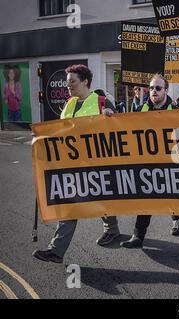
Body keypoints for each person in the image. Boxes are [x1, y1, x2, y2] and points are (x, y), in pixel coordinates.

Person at [32, 64, 121, 263]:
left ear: (85, 81)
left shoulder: (100, 101)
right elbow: (61, 129)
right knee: (70, 205)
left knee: (101, 199)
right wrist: (41, 137)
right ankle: (56, 251)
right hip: (71, 164)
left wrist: (110, 116)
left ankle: (112, 229)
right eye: (67, 83)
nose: (68, 86)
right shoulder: (69, 104)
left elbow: (119, 127)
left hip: (95, 164)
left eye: (72, 81)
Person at [120, 74, 179, 249]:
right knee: (146, 199)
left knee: (174, 195)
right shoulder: (141, 110)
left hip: (171, 162)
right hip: (148, 163)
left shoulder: (177, 109)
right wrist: (110, 116)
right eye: (152, 88)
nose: (154, 91)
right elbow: (124, 128)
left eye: (158, 88)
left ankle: (177, 220)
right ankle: (138, 236)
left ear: (166, 90)